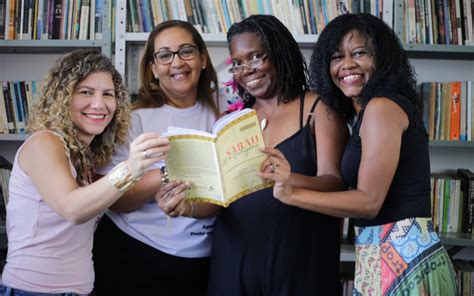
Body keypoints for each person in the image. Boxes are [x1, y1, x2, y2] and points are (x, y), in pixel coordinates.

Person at [260, 13, 458, 295]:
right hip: (382, 253)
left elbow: (369, 202)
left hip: (404, 257)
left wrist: (292, 194)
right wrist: (287, 177)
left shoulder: (380, 108)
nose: (347, 65)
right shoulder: (365, 113)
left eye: (360, 53)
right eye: (337, 56)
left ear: (382, 59)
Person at [157, 15, 349, 295]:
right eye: (238, 62)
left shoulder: (318, 110)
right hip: (234, 260)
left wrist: (288, 178)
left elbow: (335, 182)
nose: (247, 69)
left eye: (257, 57)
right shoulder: (229, 121)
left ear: (279, 53)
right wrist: (184, 207)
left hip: (298, 259)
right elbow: (220, 199)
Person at [0, 49, 169, 295]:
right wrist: (131, 168)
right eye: (86, 92)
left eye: (108, 94)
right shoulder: (44, 143)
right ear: (63, 98)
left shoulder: (86, 154)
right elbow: (73, 209)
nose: (99, 104)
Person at [92, 20, 220, 295]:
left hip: (204, 261)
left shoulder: (226, 114)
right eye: (165, 55)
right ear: (153, 67)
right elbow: (116, 201)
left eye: (186, 51)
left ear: (203, 58)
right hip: (134, 253)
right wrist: (166, 174)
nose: (177, 62)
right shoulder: (132, 120)